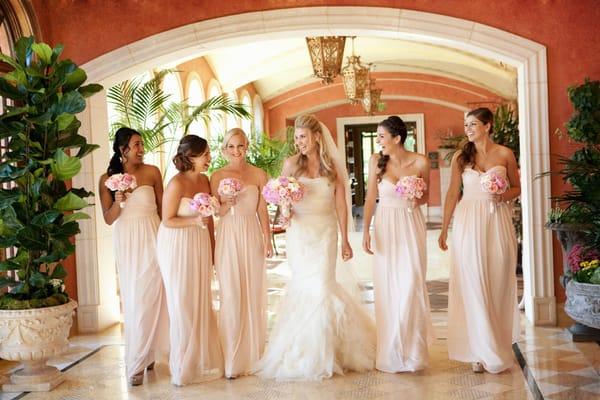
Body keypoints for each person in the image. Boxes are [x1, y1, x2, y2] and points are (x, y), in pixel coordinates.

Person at [254, 114, 376, 381]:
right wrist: (284, 211)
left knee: (322, 285)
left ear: (317, 137)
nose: (299, 143)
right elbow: (281, 198)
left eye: (303, 137)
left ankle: (326, 352)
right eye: (296, 138)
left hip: (326, 233)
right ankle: (302, 351)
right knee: (304, 287)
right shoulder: (290, 165)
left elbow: (341, 204)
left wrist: (345, 238)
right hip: (300, 234)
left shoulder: (332, 166)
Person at [438, 107, 521, 374]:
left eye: (473, 124)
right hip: (467, 222)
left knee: (496, 281)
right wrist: (443, 228)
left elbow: (517, 187)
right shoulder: (461, 158)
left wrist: (502, 196)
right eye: (466, 124)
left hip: (497, 221)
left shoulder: (505, 154)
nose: (468, 129)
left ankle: (495, 342)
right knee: (473, 282)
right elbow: (453, 193)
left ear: (488, 125)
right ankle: (478, 349)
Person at [362, 116, 433, 373]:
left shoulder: (421, 161)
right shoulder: (375, 161)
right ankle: (392, 351)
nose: (378, 141)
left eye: (382, 136)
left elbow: (427, 196)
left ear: (397, 138)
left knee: (412, 283)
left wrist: (415, 198)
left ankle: (412, 352)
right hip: (385, 225)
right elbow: (371, 196)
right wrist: (366, 230)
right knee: (388, 286)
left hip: (411, 225)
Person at [98, 127, 169, 386]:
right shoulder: (106, 178)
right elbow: (108, 219)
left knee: (154, 293)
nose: (141, 149)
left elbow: (163, 209)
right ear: (122, 149)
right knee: (135, 296)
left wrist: (168, 242)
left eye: (142, 144)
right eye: (137, 144)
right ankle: (139, 358)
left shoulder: (152, 172)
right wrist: (118, 200)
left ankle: (147, 353)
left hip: (153, 235)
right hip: (127, 240)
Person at [156, 135, 223, 385]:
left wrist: (214, 251)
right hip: (176, 245)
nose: (209, 158)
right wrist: (193, 222)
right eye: (205, 154)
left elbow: (210, 221)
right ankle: (183, 364)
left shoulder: (205, 180)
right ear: (190, 156)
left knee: (200, 299)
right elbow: (167, 219)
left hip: (199, 244)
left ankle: (200, 360)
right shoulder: (176, 183)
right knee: (182, 302)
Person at [210, 128, 273, 379]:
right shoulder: (216, 176)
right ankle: (232, 359)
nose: (237, 151)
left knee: (252, 291)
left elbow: (263, 211)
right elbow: (216, 213)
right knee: (232, 292)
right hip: (228, 234)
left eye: (241, 146)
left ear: (247, 147)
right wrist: (227, 202)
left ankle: (253, 355)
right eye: (232, 146)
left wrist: (267, 240)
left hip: (251, 233)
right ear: (224, 149)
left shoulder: (259, 174)